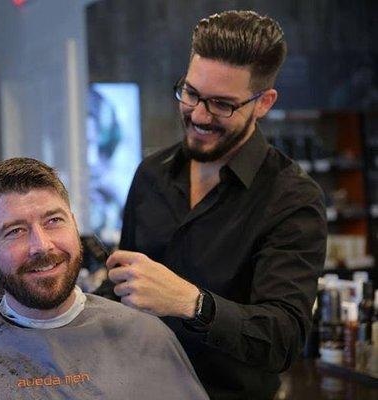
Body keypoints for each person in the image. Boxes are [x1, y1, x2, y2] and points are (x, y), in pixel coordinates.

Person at [96, 10, 327, 399]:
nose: (199, 115)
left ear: (263, 102)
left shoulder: (292, 199)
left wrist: (192, 303)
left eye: (222, 105)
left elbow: (283, 339)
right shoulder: (152, 174)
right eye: (191, 93)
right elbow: (125, 287)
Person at [0, 157, 209, 400]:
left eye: (54, 221)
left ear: (74, 223)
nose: (41, 246)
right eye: (15, 231)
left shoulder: (145, 338)